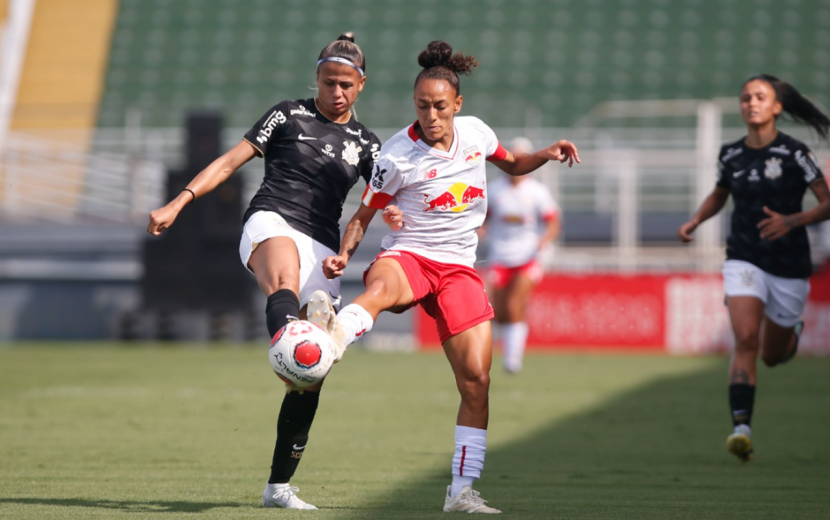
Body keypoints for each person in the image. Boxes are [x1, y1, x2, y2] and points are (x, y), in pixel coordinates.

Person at [308, 40, 579, 514]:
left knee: (476, 379)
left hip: (458, 267)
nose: (430, 115)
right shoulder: (397, 155)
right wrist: (343, 256)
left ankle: (461, 490)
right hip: (411, 253)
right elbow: (363, 216)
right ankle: (333, 340)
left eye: (439, 106)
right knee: (382, 288)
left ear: (457, 104)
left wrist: (546, 153)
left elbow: (512, 165)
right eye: (421, 106)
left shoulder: (475, 134)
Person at [146, 33, 384, 509]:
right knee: (285, 282)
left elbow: (379, 201)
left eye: (345, 85)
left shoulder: (367, 144)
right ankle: (287, 341)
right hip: (272, 218)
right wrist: (179, 201)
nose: (335, 92)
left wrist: (365, 240)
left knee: (310, 378)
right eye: (327, 82)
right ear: (316, 78)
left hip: (324, 244)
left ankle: (278, 487)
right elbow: (230, 161)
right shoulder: (288, 114)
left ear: (361, 85)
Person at [677, 74, 830, 463]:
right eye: (746, 97)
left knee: (771, 355)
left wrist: (793, 221)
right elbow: (719, 194)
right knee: (745, 339)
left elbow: (827, 202)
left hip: (789, 265)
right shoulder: (731, 154)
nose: (751, 102)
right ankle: (740, 428)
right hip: (744, 257)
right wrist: (695, 221)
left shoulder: (795, 153)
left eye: (760, 97)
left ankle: (790, 331)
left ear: (777, 106)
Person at [481, 137, 561, 373]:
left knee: (516, 303)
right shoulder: (495, 190)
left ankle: (512, 361)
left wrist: (544, 241)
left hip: (528, 258)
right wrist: (480, 229)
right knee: (498, 310)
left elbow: (553, 222)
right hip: (500, 257)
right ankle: (507, 346)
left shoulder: (537, 192)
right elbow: (483, 218)